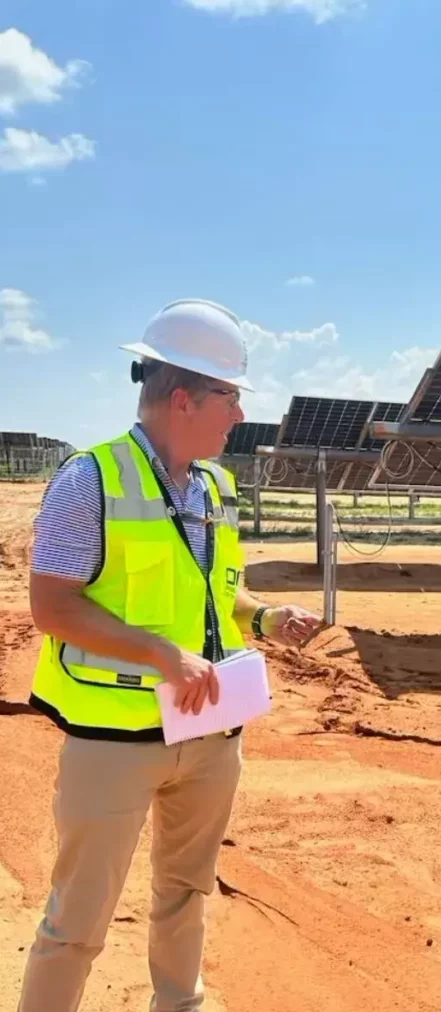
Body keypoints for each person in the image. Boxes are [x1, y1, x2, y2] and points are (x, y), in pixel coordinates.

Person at [19, 299, 322, 1012]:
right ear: (184, 398)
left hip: (210, 731)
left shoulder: (217, 487)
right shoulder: (87, 480)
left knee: (186, 894)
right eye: (231, 395)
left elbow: (219, 594)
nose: (240, 414)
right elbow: (52, 607)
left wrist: (266, 616)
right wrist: (163, 654)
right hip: (115, 739)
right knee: (78, 923)